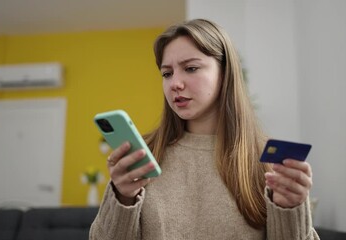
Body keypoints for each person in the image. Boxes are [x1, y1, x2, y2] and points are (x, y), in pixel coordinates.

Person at [89, 19, 319, 240]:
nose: (175, 84)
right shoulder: (144, 155)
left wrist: (290, 209)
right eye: (167, 73)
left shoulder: (267, 159)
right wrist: (122, 197)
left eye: (190, 68)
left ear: (225, 73)